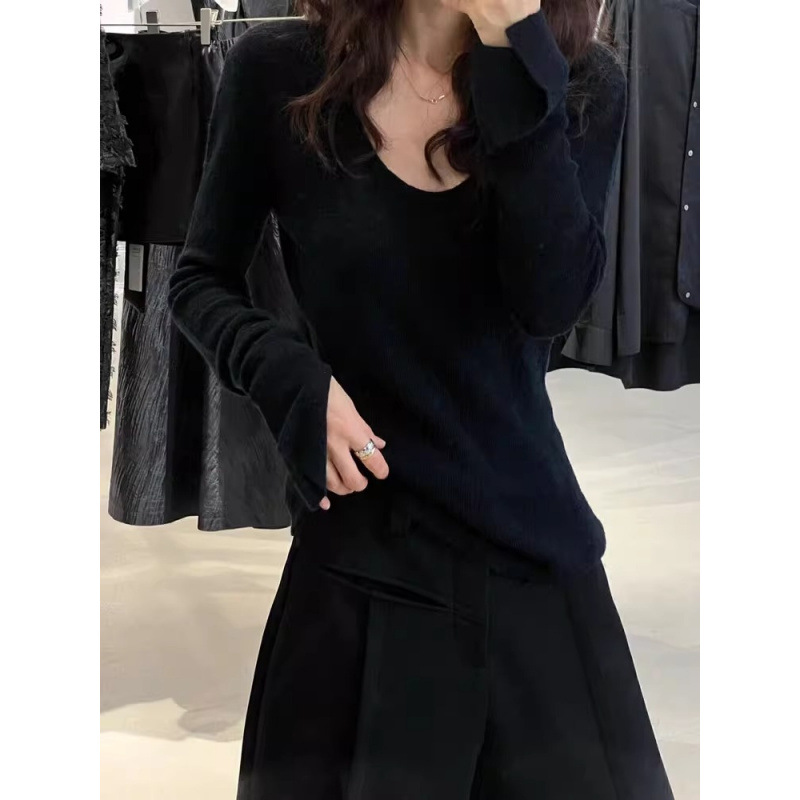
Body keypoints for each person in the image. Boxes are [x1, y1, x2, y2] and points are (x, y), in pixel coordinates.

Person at [169, 1, 675, 797]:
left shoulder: (580, 83)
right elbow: (201, 279)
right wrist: (289, 378)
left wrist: (514, 58)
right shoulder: (280, 70)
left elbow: (549, 303)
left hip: (526, 548)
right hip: (359, 557)